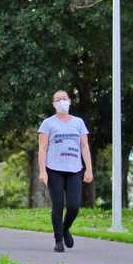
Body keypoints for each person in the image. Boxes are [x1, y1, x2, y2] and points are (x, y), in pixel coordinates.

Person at [37, 90, 93, 252]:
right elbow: (42, 148)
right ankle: (58, 240)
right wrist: (42, 171)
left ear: (69, 101)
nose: (62, 101)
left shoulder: (79, 122)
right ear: (53, 104)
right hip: (54, 169)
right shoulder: (48, 123)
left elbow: (84, 146)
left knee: (74, 206)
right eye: (58, 99)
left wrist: (88, 169)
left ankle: (65, 227)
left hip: (75, 169)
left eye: (64, 98)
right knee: (58, 205)